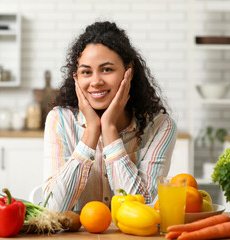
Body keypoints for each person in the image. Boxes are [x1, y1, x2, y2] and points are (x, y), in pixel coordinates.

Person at [42, 21, 177, 213]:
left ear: (128, 71)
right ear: (76, 78)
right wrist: (91, 131)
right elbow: (53, 209)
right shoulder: (59, 120)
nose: (96, 82)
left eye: (107, 69)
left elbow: (142, 208)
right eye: (86, 72)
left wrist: (109, 129)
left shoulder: (160, 126)